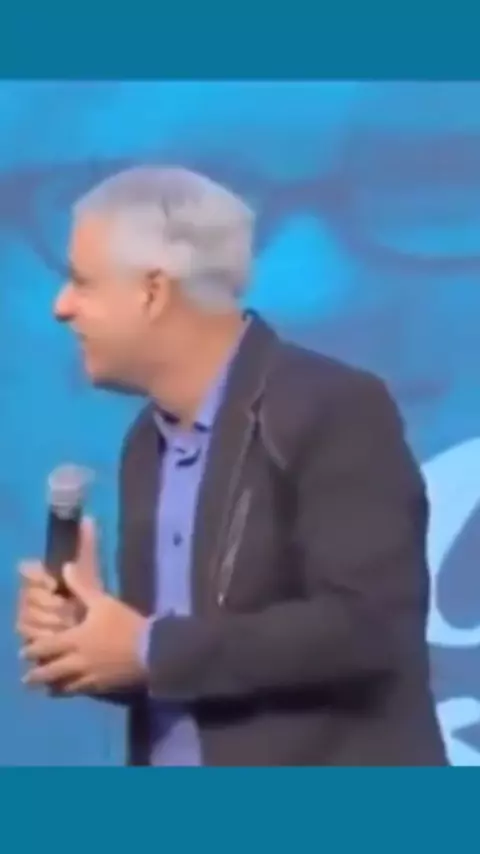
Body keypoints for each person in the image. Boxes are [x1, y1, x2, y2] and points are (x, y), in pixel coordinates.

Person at [16, 166, 447, 766]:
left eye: (83, 282)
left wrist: (148, 648)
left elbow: (368, 626)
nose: (61, 306)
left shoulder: (334, 407)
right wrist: (93, 641)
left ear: (152, 291)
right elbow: (189, 672)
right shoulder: (145, 443)